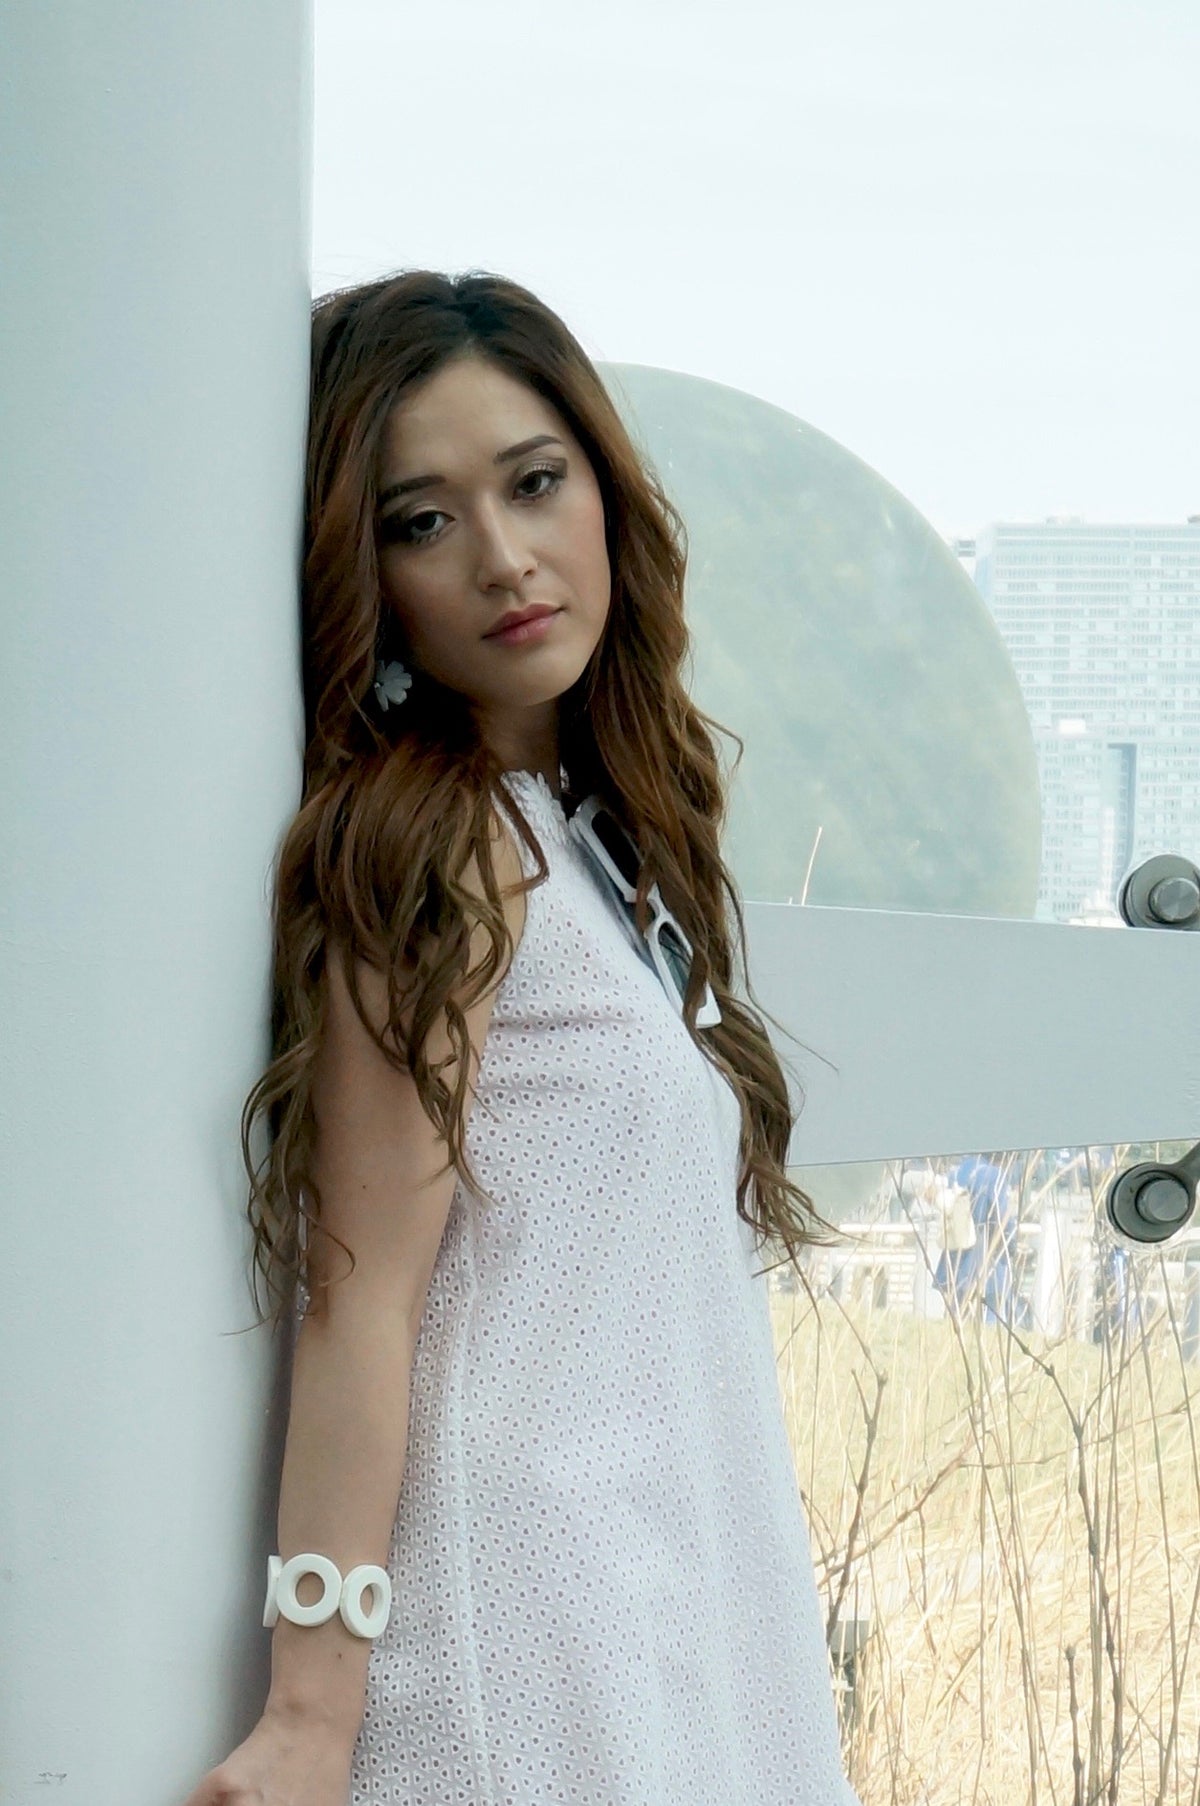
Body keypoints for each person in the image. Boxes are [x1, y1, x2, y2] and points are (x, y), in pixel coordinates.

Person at [183, 270, 861, 1806]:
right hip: (533, 1630)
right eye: (421, 521)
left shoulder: (598, 847)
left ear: (604, 491)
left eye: (535, 484)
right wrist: (311, 1704)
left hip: (676, 1597)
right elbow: (357, 1290)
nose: (503, 558)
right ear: (366, 574)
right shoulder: (436, 846)